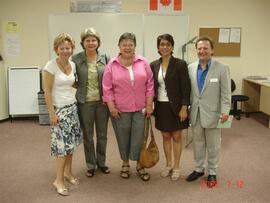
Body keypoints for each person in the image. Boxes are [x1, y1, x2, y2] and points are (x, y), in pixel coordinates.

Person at [102, 32, 154, 181]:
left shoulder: (143, 62)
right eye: (124, 44)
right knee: (123, 137)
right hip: (120, 109)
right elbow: (107, 88)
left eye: (130, 44)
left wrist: (149, 105)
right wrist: (111, 107)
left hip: (140, 109)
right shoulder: (112, 65)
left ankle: (140, 164)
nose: (127, 47)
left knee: (139, 137)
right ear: (119, 46)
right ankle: (125, 163)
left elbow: (150, 85)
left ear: (134, 46)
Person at [186, 36, 231, 188]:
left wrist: (225, 110)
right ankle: (199, 169)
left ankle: (212, 171)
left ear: (212, 50)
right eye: (199, 48)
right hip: (196, 113)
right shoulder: (190, 67)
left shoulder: (222, 68)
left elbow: (226, 93)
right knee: (198, 142)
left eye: (205, 48)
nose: (202, 51)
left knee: (213, 145)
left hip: (214, 113)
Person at [43, 33, 83, 196]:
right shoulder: (50, 66)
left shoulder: (73, 65)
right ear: (56, 49)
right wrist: (51, 113)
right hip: (59, 111)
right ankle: (58, 179)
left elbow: (72, 82)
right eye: (62, 48)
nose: (65, 51)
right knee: (61, 147)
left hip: (72, 108)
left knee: (71, 145)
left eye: (68, 48)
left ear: (72, 49)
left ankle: (68, 173)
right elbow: (47, 91)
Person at [150, 34, 190, 181]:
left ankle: (177, 166)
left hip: (177, 106)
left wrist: (184, 107)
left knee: (177, 136)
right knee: (165, 136)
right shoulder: (153, 65)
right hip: (161, 106)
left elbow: (186, 88)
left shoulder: (180, 64)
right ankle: (168, 165)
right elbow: (152, 87)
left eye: (167, 44)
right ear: (158, 47)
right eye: (162, 44)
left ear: (172, 47)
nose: (164, 47)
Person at [72, 28, 110, 177]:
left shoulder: (105, 57)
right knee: (88, 135)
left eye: (93, 40)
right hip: (84, 103)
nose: (91, 43)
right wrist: (79, 87)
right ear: (83, 43)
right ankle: (90, 164)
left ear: (98, 42)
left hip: (102, 103)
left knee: (102, 135)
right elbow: (70, 78)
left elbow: (110, 78)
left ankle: (102, 162)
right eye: (87, 40)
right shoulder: (76, 59)